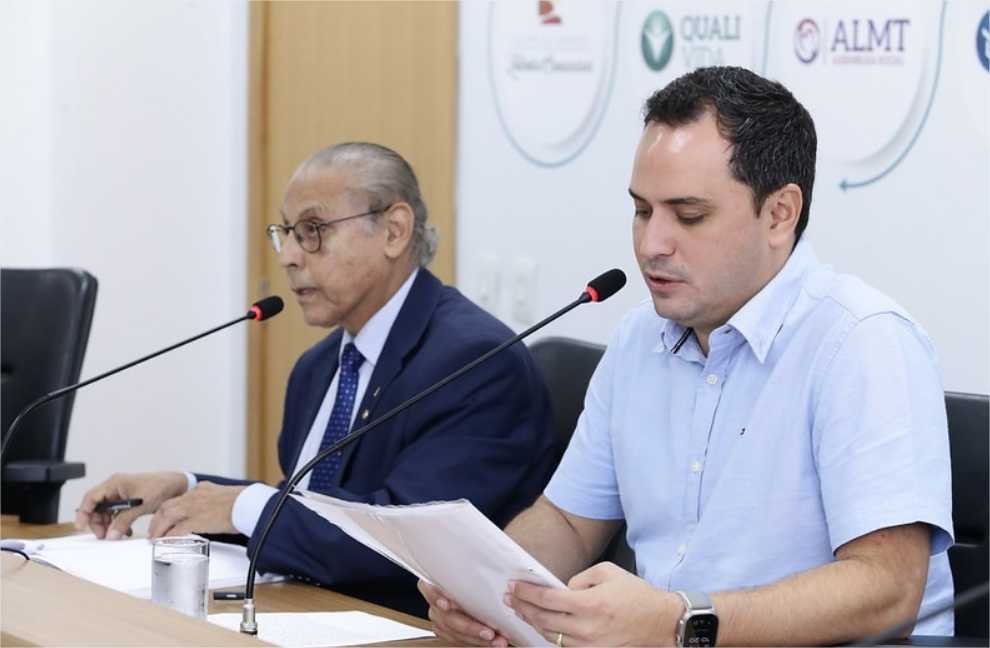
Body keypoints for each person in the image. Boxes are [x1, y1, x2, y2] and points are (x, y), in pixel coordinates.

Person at [420, 66, 953, 645]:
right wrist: (487, 591)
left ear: (780, 213)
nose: (651, 244)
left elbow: (888, 588)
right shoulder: (638, 339)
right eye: (642, 211)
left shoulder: (861, 342)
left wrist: (681, 620)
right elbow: (568, 524)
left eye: (689, 215)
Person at [75, 142, 558, 616]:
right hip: (310, 614)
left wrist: (241, 505)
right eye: (285, 233)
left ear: (393, 231)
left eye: (312, 230)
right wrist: (187, 489)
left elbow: (404, 544)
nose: (288, 255)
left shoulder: (475, 362)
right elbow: (312, 510)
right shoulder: (319, 365)